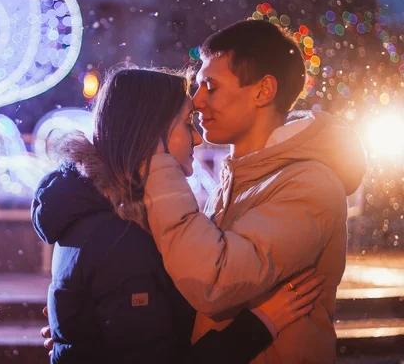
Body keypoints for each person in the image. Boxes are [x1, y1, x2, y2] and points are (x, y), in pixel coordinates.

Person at [32, 68, 325, 364]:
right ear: (149, 135)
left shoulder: (105, 213)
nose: (197, 138)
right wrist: (261, 325)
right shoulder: (120, 239)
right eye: (187, 124)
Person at [144, 20, 367, 363]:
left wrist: (157, 165)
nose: (197, 100)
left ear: (263, 91)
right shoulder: (242, 177)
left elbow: (213, 281)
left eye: (210, 86)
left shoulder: (310, 185)